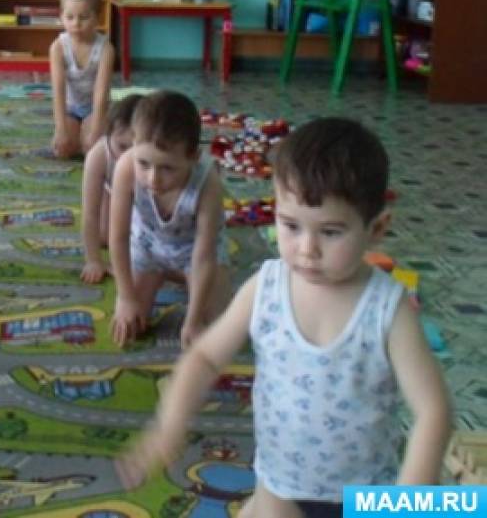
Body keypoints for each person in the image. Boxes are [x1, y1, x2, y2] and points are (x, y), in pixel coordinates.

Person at [118, 117, 452, 518]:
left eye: (331, 232)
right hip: (280, 487)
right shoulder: (266, 288)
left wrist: (409, 502)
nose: (307, 249)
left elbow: (433, 411)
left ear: (376, 228)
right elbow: (204, 357)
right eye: (291, 225)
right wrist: (168, 424)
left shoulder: (387, 310)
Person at [108, 90, 229, 349]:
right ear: (133, 145)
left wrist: (193, 320)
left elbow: (204, 256)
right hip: (148, 247)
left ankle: (184, 280)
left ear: (194, 157)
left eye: (167, 168)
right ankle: (161, 276)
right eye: (144, 164)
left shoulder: (208, 184)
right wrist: (125, 297)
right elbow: (117, 238)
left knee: (213, 328)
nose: (153, 179)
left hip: (193, 253)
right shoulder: (126, 168)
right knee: (133, 325)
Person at [79, 93, 144, 284]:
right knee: (105, 236)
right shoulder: (99, 155)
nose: (128, 157)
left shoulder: (152, 161)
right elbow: (90, 213)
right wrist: (93, 260)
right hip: (113, 191)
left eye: (137, 148)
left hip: (144, 196)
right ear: (108, 136)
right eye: (122, 146)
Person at [49, 0, 115, 160]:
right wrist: (61, 129)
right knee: (63, 151)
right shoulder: (58, 47)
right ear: (61, 17)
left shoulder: (106, 49)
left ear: (97, 17)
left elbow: (101, 91)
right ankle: (75, 132)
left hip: (95, 108)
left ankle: (89, 132)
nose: (76, 24)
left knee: (92, 149)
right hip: (70, 108)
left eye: (84, 17)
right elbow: (58, 90)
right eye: (69, 17)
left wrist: (97, 128)